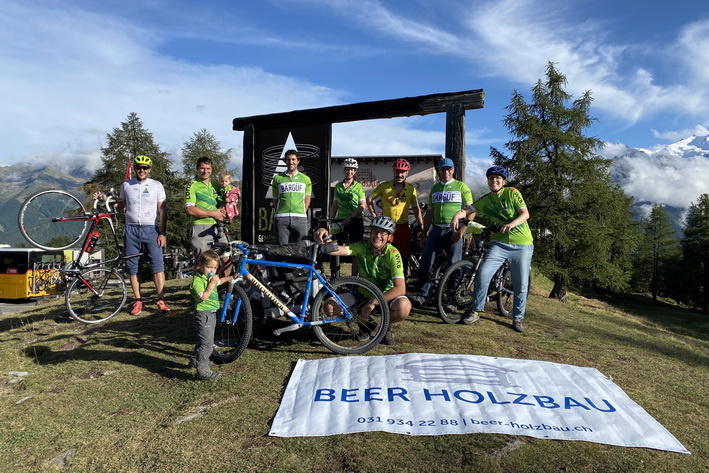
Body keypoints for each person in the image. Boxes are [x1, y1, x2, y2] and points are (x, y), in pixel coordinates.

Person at [314, 215, 410, 346]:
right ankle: (366, 326)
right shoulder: (362, 247)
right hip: (362, 295)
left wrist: (373, 302)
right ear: (370, 233)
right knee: (329, 306)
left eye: (383, 233)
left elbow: (400, 289)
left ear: (389, 237)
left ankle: (385, 327)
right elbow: (336, 250)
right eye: (375, 231)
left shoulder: (393, 254)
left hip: (384, 297)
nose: (378, 236)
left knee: (404, 306)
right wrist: (324, 235)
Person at [461, 166, 533, 332]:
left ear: (503, 181)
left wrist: (512, 223)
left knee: (520, 283)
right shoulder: (486, 199)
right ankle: (475, 310)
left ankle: (518, 317)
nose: (494, 180)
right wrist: (457, 217)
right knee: (483, 274)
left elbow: (525, 214)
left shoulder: (512, 192)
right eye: (491, 178)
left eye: (498, 178)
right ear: (488, 181)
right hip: (499, 243)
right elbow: (467, 210)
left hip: (522, 244)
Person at [95, 155, 170, 316]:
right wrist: (104, 199)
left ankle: (161, 300)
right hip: (131, 230)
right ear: (135, 169)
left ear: (149, 170)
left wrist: (163, 233)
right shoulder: (127, 184)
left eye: (144, 168)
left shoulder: (156, 185)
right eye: (139, 167)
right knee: (133, 267)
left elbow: (162, 210)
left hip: (151, 229)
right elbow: (121, 204)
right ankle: (138, 301)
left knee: (157, 266)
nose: (141, 170)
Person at [412, 158, 475, 305]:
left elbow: (471, 211)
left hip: (453, 231)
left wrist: (461, 231)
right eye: (443, 169)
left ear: (453, 170)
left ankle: (452, 299)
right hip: (436, 230)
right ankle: (422, 295)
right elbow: (429, 213)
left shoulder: (461, 186)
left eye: (448, 169)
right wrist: (424, 234)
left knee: (454, 265)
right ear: (438, 171)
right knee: (425, 263)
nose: (446, 171)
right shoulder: (435, 188)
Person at [366, 158, 423, 275]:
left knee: (403, 254)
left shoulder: (411, 189)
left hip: (403, 226)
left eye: (402, 172)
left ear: (407, 173)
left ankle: (402, 277)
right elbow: (369, 198)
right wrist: (374, 215)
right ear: (394, 171)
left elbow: (416, 208)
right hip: (386, 227)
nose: (399, 174)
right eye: (397, 171)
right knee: (383, 251)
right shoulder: (384, 186)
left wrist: (421, 224)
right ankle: (382, 276)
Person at [184, 157, 231, 277]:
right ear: (197, 169)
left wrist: (226, 210)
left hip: (218, 227)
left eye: (208, 168)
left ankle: (219, 287)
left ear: (212, 169)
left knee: (227, 261)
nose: (205, 171)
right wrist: (213, 213)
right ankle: (198, 288)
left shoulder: (217, 185)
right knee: (202, 264)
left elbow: (224, 203)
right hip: (200, 227)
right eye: (202, 168)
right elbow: (190, 210)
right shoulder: (192, 185)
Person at [188, 250, 222, 381]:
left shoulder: (208, 278)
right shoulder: (197, 281)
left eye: (215, 268)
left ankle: (195, 360)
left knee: (203, 340)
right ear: (201, 266)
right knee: (206, 344)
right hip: (203, 314)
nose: (212, 270)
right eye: (209, 267)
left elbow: (219, 281)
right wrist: (211, 285)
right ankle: (202, 370)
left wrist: (232, 277)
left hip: (211, 313)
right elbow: (203, 297)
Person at [272, 149, 312, 244]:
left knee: (302, 248)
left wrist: (302, 211)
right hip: (282, 218)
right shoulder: (277, 178)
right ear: (285, 161)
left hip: (300, 218)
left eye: (293, 159)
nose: (291, 162)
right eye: (288, 159)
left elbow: (307, 199)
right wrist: (281, 210)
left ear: (298, 161)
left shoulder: (305, 179)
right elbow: (275, 199)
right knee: (282, 248)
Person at [330, 158, 366, 244]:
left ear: (355, 171)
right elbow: (335, 205)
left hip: (356, 220)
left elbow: (362, 206)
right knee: (337, 246)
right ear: (344, 170)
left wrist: (350, 218)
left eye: (352, 170)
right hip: (341, 221)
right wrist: (331, 219)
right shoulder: (338, 186)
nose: (349, 172)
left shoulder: (359, 186)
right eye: (347, 169)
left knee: (356, 247)